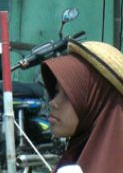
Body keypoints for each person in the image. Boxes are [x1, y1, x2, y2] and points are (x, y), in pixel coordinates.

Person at [40, 39, 123, 171]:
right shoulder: (76, 156)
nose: (53, 102)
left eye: (68, 94)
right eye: (56, 92)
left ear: (96, 103)